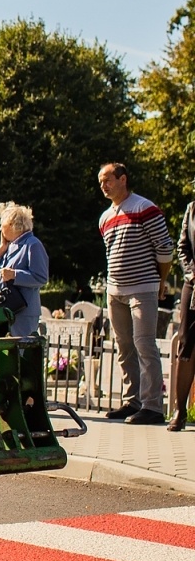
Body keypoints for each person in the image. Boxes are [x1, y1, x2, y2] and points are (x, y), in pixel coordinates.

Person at [99, 163, 176, 425]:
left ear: (123, 179)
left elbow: (165, 249)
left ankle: (153, 406)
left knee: (144, 344)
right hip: (115, 290)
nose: (104, 186)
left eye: (108, 180)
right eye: (101, 182)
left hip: (142, 287)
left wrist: (161, 281)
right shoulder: (105, 217)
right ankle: (132, 400)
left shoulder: (145, 208)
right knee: (124, 348)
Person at [0, 202, 48, 338]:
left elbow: (41, 278)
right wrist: (0, 251)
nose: (0, 228)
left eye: (3, 224)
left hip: (23, 313)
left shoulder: (32, 244)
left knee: (21, 353)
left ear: (13, 225)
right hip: (3, 310)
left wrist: (14, 275)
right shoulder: (8, 246)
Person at [171, 196, 195, 431]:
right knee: (186, 344)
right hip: (194, 283)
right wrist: (191, 272)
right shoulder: (192, 209)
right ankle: (180, 410)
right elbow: (183, 247)